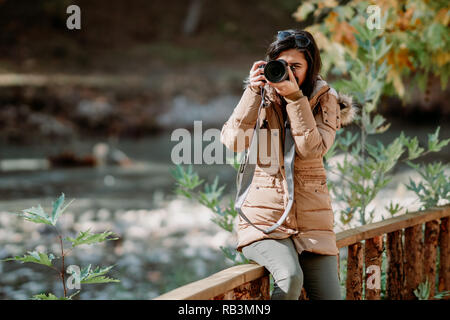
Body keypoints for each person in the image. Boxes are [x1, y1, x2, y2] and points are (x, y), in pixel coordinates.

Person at [220, 29, 357, 300]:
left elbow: (312, 149)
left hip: (312, 224)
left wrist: (296, 99)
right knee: (290, 277)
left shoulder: (324, 98)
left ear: (311, 67)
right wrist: (252, 91)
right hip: (264, 223)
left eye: (297, 66)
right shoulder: (260, 95)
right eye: (283, 66)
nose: (289, 73)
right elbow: (233, 141)